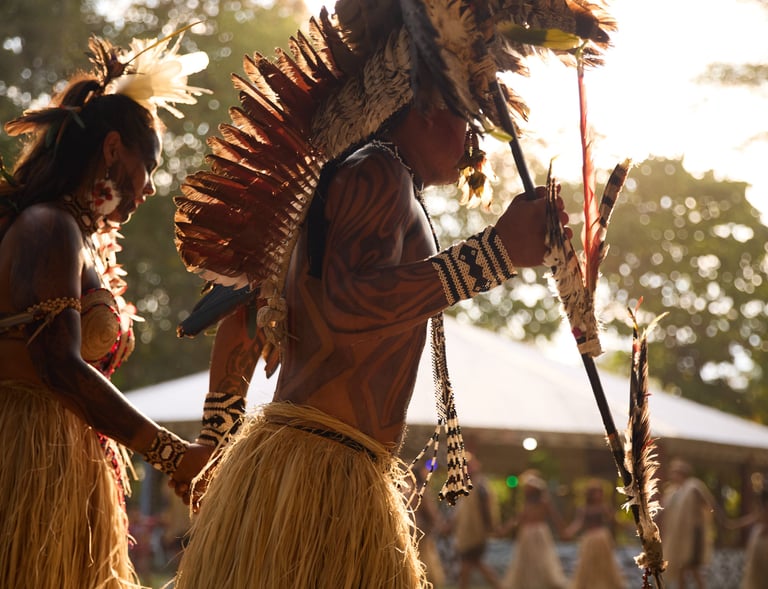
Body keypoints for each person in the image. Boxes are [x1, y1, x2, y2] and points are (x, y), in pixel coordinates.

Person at [171, 1, 615, 587]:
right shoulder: (376, 171)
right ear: (426, 106)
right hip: (317, 477)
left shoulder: (377, 179)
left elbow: (267, 311)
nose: (473, 138)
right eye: (465, 115)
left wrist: (218, 433)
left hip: (328, 473)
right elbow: (346, 301)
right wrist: (495, 254)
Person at [0, 30, 211, 588]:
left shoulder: (75, 235)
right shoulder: (47, 227)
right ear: (114, 149)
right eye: (150, 167)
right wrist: (171, 453)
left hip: (64, 469)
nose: (150, 189)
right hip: (24, 465)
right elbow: (57, 364)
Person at [498, 470, 568, 589]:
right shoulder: (526, 504)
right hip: (527, 534)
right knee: (527, 560)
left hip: (539, 533)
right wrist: (505, 529)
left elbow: (555, 517)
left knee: (541, 559)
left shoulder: (544, 502)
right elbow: (519, 518)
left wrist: (563, 531)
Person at [659, 459, 720, 589]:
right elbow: (664, 512)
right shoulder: (671, 492)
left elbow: (708, 504)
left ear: (682, 473)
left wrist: (702, 516)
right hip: (677, 538)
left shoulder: (693, 486)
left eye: (675, 472)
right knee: (681, 568)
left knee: (690, 566)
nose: (673, 475)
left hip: (692, 535)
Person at [563, 478, 627, 589]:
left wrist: (625, 525)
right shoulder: (583, 508)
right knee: (588, 561)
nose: (598, 495)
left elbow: (613, 519)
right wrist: (570, 531)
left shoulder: (604, 507)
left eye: (600, 492)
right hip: (590, 538)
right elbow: (578, 523)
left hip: (602, 537)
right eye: (596, 492)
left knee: (605, 561)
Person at [452, 456, 502, 589]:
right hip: (468, 535)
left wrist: (490, 528)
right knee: (473, 565)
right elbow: (461, 513)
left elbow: (487, 510)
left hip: (475, 535)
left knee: (468, 565)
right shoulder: (467, 487)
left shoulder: (480, 487)